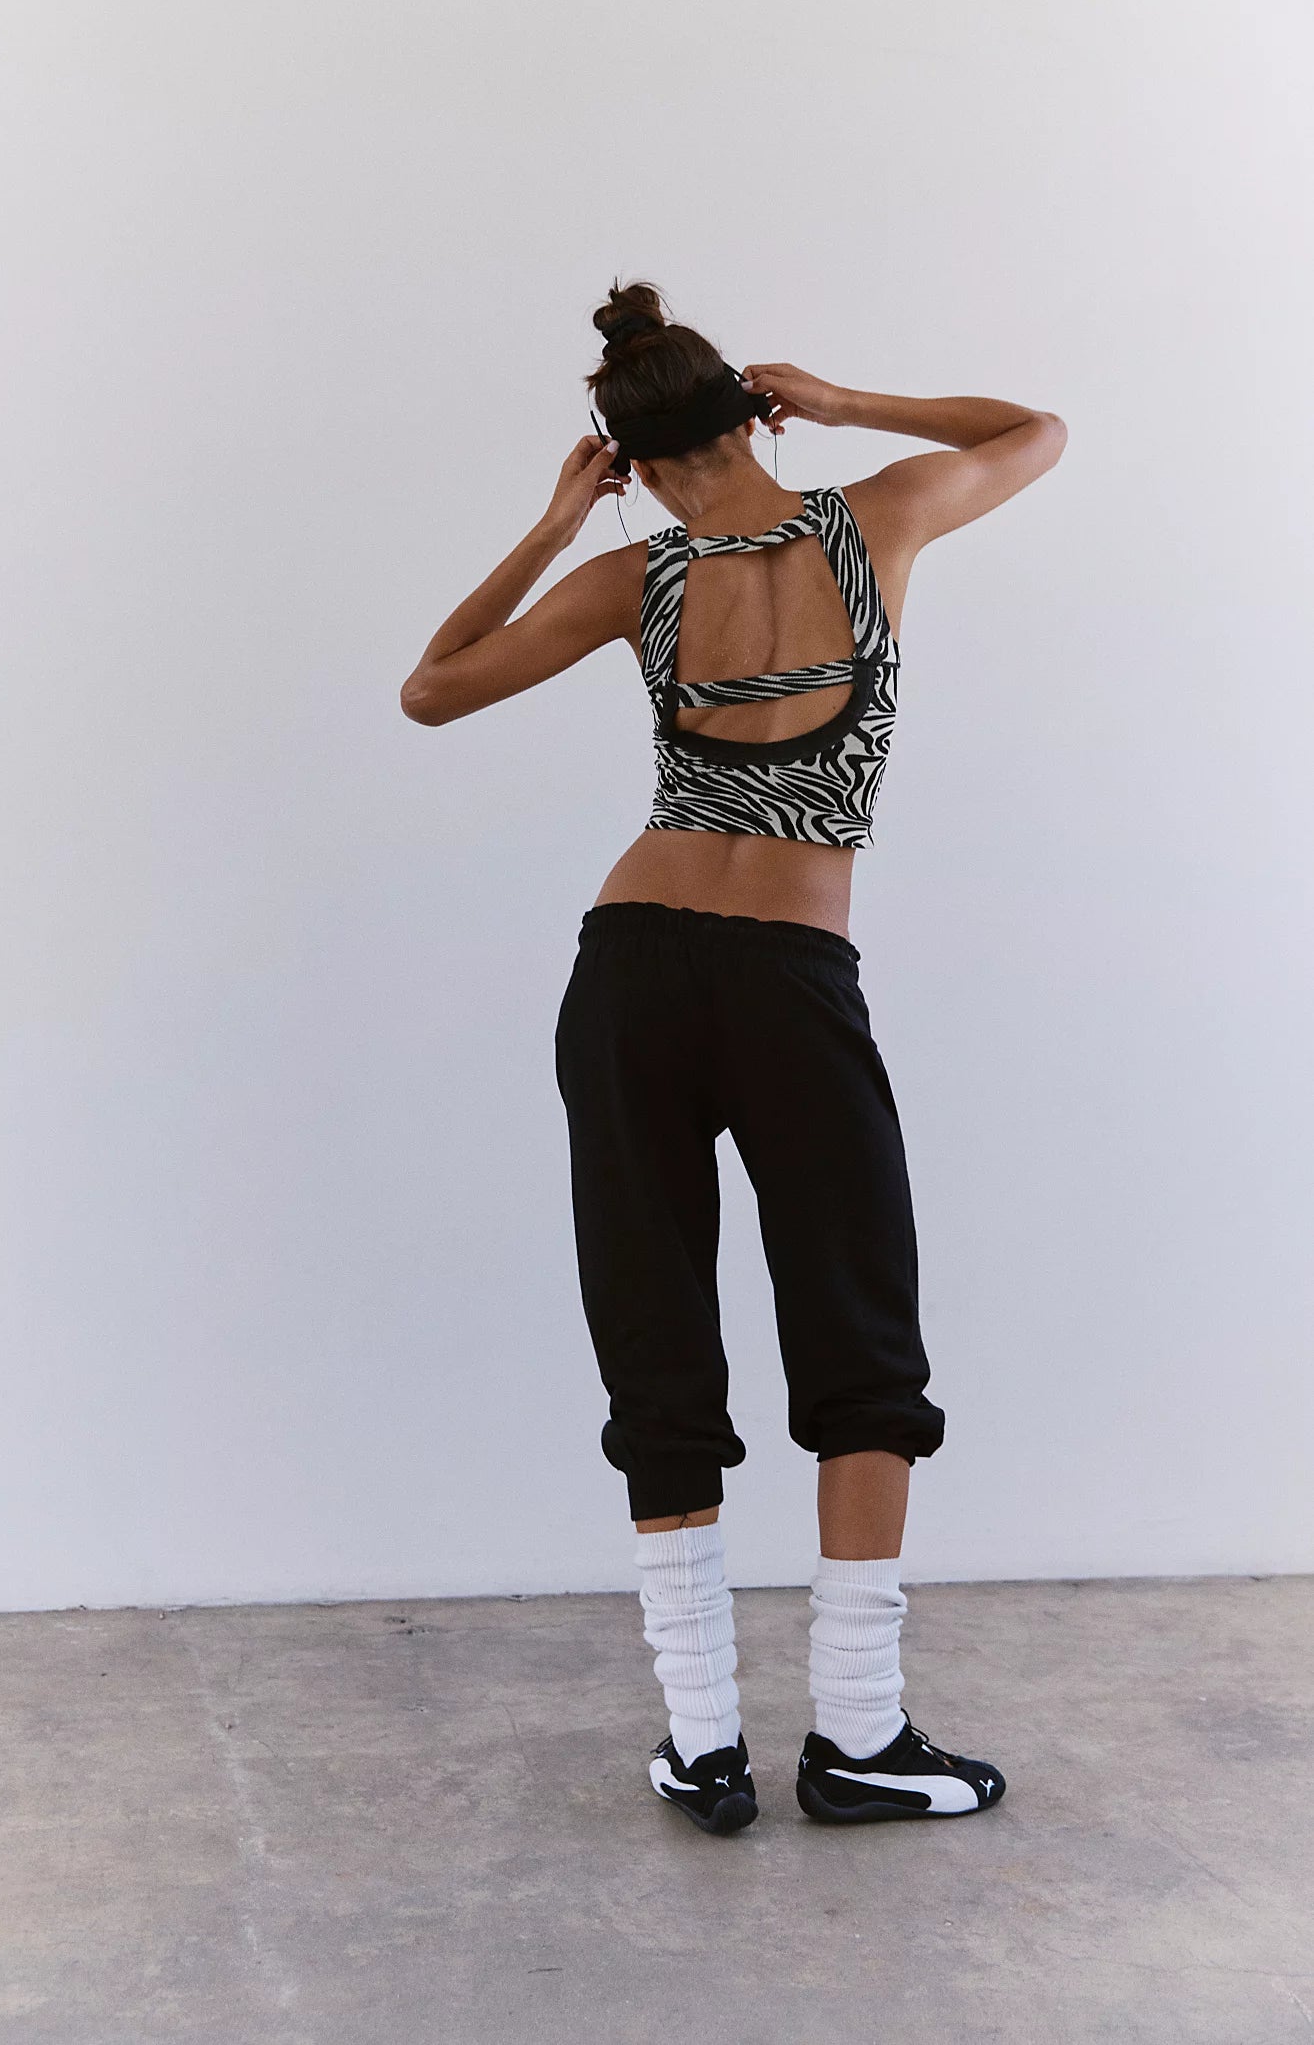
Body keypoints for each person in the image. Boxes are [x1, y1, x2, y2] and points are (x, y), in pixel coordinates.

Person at [401, 280, 1066, 1836]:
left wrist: (554, 521)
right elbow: (1035, 431)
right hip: (788, 974)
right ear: (752, 417)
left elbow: (431, 689)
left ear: (628, 461)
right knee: (858, 1331)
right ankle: (858, 1734)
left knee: (654, 1329)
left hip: (629, 966)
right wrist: (844, 400)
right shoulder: (878, 520)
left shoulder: (632, 575)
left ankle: (704, 1742)